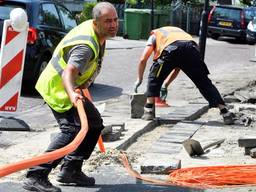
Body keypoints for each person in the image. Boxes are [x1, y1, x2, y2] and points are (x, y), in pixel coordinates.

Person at [22, 2, 118, 192]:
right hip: (59, 88)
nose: (113, 25)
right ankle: (36, 175)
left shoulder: (97, 32)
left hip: (69, 88)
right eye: (108, 21)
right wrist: (73, 93)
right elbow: (68, 73)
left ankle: (70, 170)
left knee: (94, 124)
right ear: (96, 22)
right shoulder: (86, 46)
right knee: (71, 130)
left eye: (115, 20)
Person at [134, 26, 234, 125]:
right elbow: (178, 66)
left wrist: (139, 78)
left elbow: (143, 59)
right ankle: (225, 112)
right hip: (192, 49)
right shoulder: (180, 33)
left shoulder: (155, 35)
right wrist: (165, 85)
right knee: (204, 82)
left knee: (154, 75)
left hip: (170, 50)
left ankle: (148, 110)